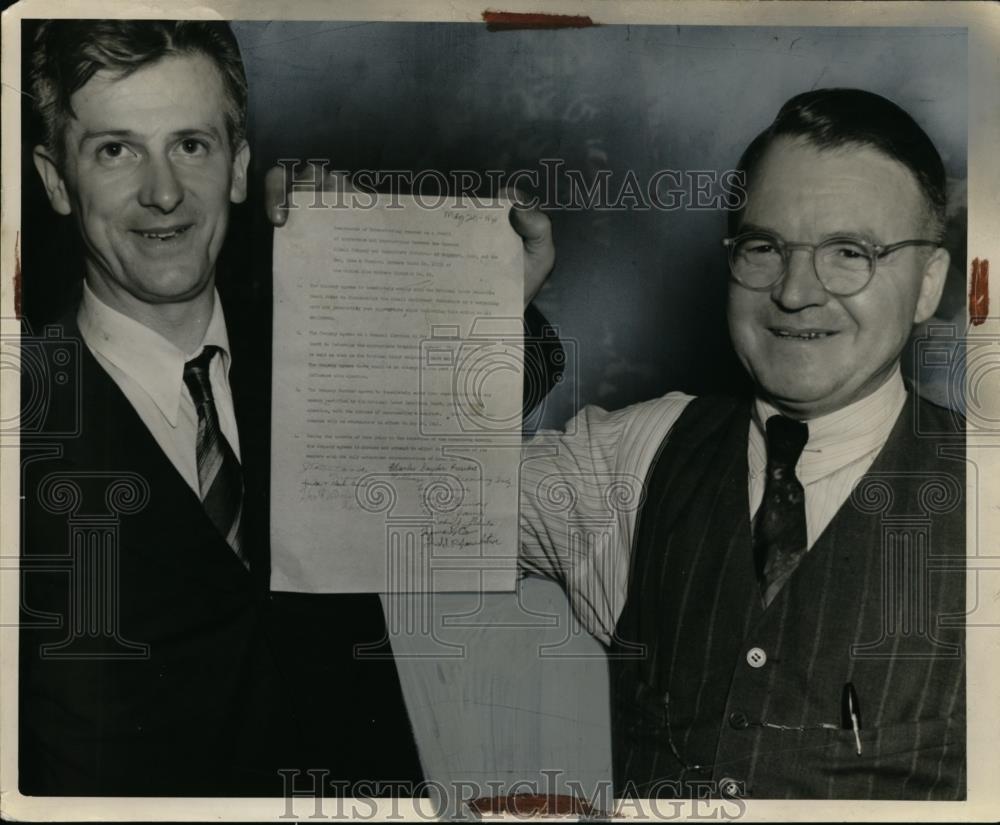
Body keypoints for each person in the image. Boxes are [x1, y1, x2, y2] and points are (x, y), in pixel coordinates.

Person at [19, 19, 556, 796]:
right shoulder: (20, 420)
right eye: (116, 149)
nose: (163, 191)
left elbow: (482, 403)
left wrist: (482, 288)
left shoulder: (322, 347)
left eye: (192, 145)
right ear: (56, 179)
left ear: (238, 165)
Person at [519, 89, 966, 800]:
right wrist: (361, 257)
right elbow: (391, 495)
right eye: (764, 247)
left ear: (928, 285)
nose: (794, 291)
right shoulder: (637, 455)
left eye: (849, 252)